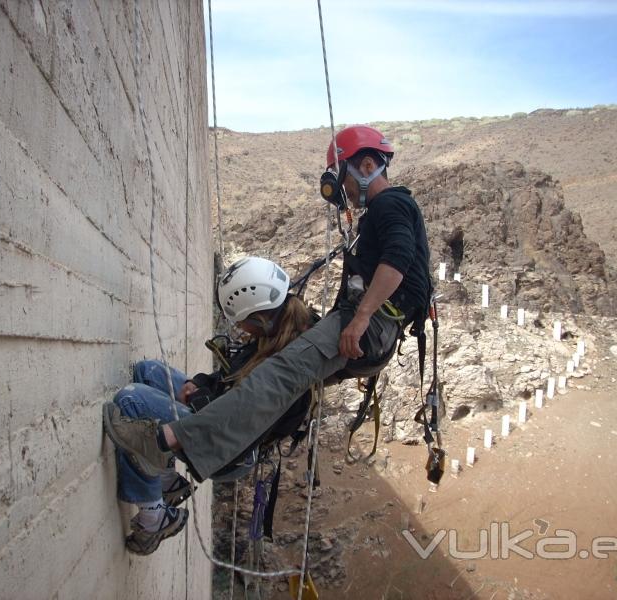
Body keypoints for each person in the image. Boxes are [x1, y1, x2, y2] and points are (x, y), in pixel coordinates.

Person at [104, 124, 432, 486]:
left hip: (369, 326)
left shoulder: (391, 202)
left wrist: (361, 318)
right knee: (280, 375)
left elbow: (398, 260)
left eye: (345, 181)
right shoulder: (385, 210)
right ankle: (180, 442)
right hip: (371, 328)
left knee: (279, 375)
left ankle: (169, 440)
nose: (346, 194)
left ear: (367, 166)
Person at [109, 256, 314, 555]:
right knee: (147, 371)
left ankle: (154, 517)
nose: (240, 328)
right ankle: (166, 481)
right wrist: (201, 385)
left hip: (225, 446)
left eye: (242, 321)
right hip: (215, 416)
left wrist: (201, 401)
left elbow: (236, 422)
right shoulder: (271, 336)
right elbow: (228, 377)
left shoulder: (283, 376)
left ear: (259, 316)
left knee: (131, 401)